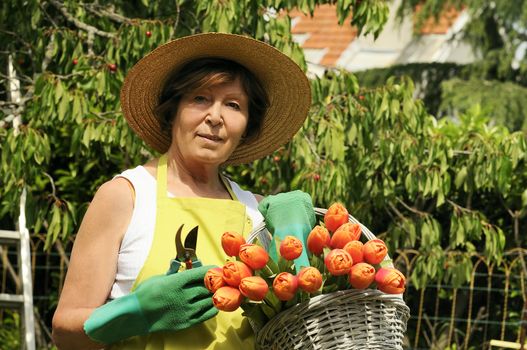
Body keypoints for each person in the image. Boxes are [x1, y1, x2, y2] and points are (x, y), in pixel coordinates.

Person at [51, 32, 315, 350]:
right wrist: (133, 313)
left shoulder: (257, 213)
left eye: (233, 105)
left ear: (246, 126)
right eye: (200, 98)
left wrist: (295, 244)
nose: (214, 117)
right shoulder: (127, 196)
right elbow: (64, 333)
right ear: (173, 110)